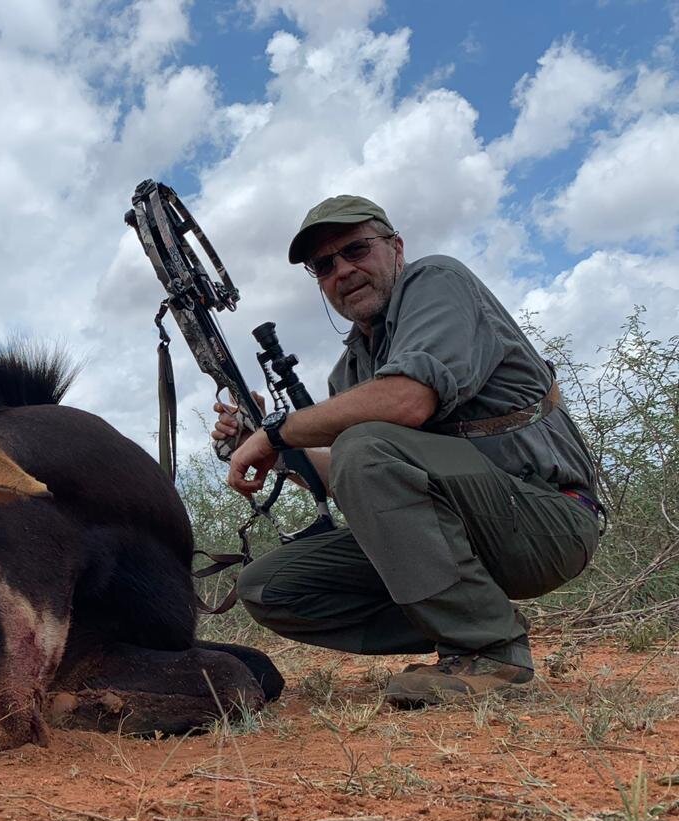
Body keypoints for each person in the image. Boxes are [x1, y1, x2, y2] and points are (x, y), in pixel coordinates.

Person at [213, 195, 602, 707]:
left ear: (396, 247)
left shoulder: (437, 280)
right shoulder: (349, 370)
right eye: (324, 266)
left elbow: (407, 401)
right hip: (465, 529)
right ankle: (473, 616)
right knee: (271, 587)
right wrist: (269, 450)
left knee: (363, 443)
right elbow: (352, 474)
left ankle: (490, 650)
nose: (342, 271)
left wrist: (278, 431)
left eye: (355, 249)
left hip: (548, 520)